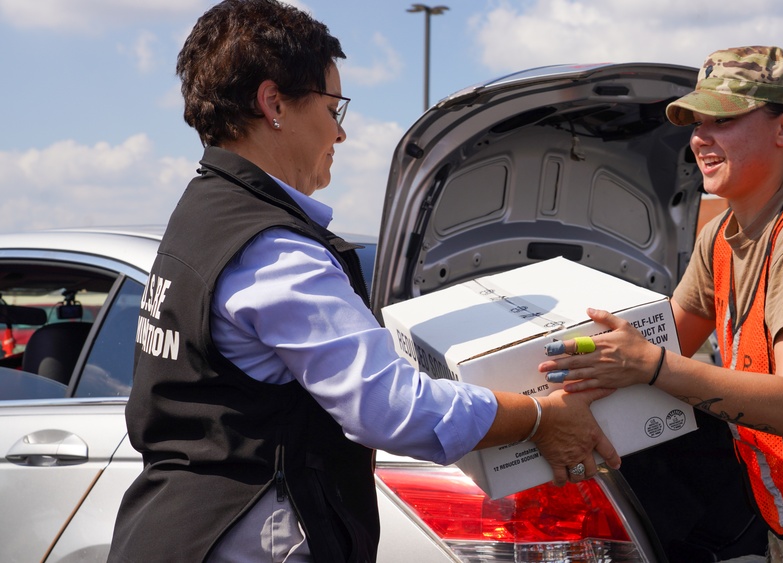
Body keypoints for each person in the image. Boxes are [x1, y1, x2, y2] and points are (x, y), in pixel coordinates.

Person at [107, 1, 620, 561]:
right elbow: (391, 407)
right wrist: (540, 416)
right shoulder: (273, 251)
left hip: (173, 530)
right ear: (274, 102)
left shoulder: (203, 216)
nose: (340, 133)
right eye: (333, 108)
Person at [538, 46, 783, 561]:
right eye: (697, 123)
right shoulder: (720, 236)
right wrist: (545, 407)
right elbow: (662, 343)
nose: (700, 137)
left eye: (721, 119)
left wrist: (650, 366)